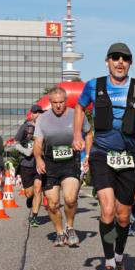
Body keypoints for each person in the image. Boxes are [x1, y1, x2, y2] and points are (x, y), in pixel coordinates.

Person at [73, 42, 135, 270]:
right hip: (101, 154)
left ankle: (120, 258)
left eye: (125, 58)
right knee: (108, 211)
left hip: (128, 156)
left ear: (130, 63)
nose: (120, 62)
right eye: (115, 57)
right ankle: (109, 265)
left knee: (123, 216)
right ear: (107, 61)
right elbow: (79, 107)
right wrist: (77, 134)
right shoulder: (94, 85)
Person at [34, 88, 81, 247]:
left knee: (70, 198)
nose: (58, 105)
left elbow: (88, 133)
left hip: (70, 161)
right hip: (50, 163)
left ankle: (70, 227)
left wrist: (87, 154)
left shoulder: (76, 114)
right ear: (50, 102)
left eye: (61, 102)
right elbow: (38, 143)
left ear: (66, 101)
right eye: (55, 103)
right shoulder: (43, 119)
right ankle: (60, 232)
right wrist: (38, 159)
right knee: (52, 204)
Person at [15, 105, 45, 227]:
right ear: (31, 114)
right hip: (26, 164)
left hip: (40, 163)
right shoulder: (25, 127)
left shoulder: (45, 127)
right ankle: (29, 198)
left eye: (40, 112)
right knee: (29, 193)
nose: (38, 114)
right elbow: (16, 143)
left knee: (38, 189)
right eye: (36, 112)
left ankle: (34, 217)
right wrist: (26, 151)